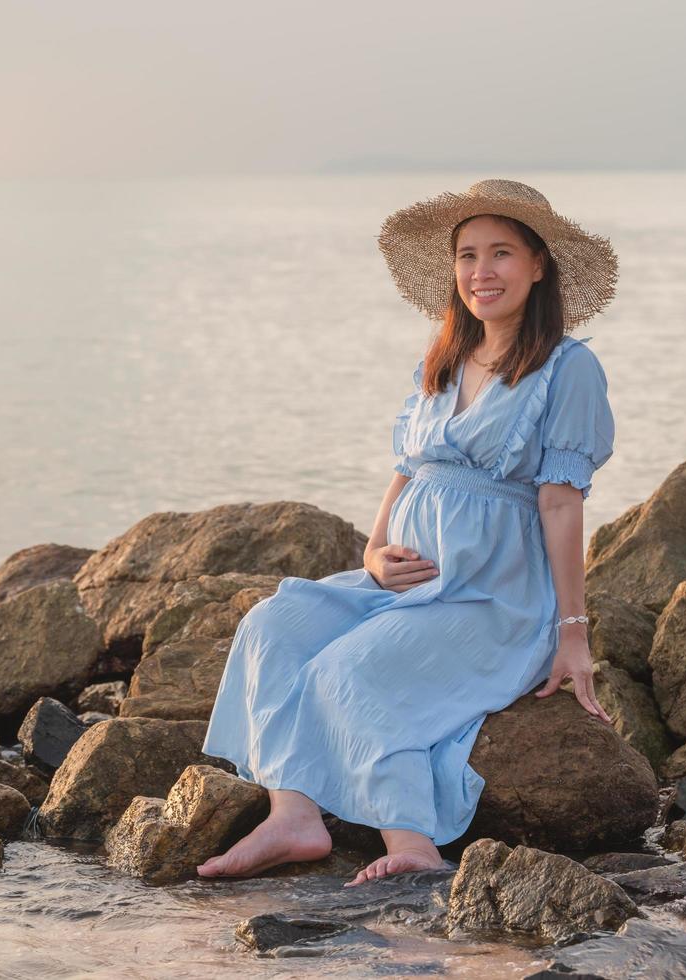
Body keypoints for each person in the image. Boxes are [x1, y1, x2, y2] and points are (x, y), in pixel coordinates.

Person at [196, 179, 619, 887]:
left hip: (490, 597)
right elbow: (407, 470)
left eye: (501, 254)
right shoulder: (443, 355)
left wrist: (570, 633)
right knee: (271, 626)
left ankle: (413, 842)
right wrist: (371, 551)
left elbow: (559, 502)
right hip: (401, 582)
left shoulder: (567, 368)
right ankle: (292, 815)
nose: (481, 272)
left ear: (538, 264)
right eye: (467, 255)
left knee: (347, 671)